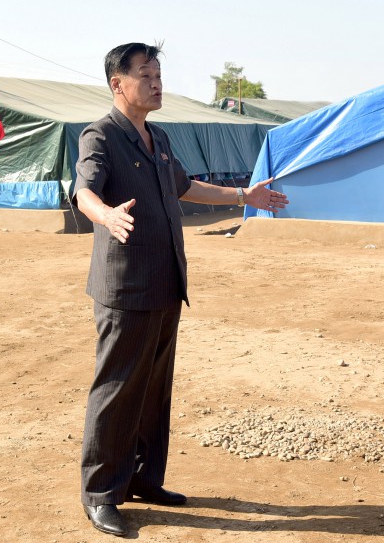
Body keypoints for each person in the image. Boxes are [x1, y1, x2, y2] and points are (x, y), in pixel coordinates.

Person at [74, 42, 288, 537]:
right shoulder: (99, 136)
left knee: (153, 390)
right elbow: (83, 188)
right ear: (118, 84)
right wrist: (103, 214)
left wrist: (243, 195)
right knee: (116, 389)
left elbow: (185, 186)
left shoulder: (159, 138)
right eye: (145, 74)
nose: (156, 83)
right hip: (125, 288)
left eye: (158, 74)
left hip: (167, 282)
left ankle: (144, 479)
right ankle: (100, 494)